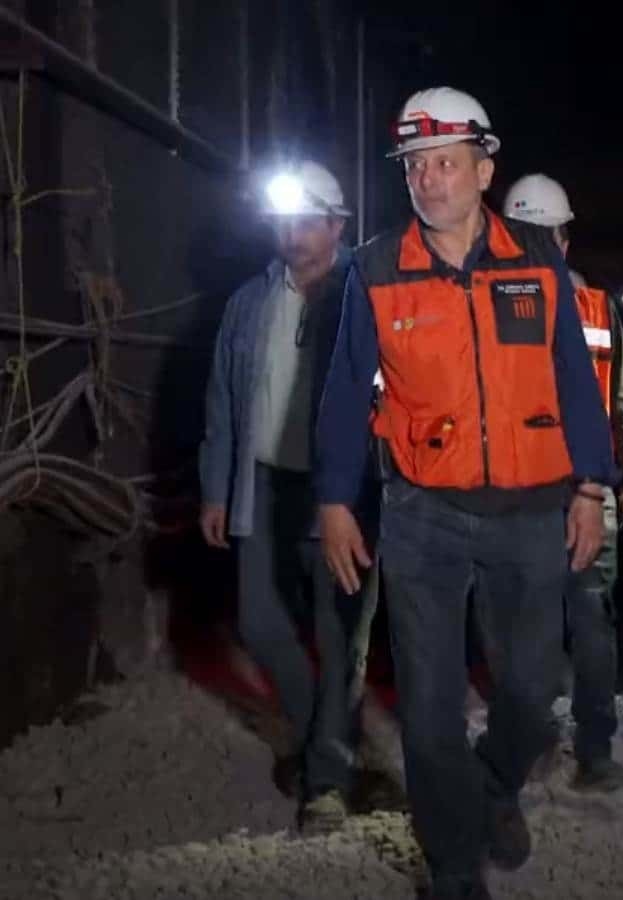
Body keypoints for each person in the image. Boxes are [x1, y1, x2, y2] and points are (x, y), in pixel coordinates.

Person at [314, 87, 615, 899]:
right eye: (416, 165)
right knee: (430, 703)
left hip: (531, 509)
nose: (431, 180)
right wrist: (336, 500)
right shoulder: (376, 269)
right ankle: (452, 866)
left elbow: (575, 381)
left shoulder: (539, 265)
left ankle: (492, 787)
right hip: (423, 514)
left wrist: (589, 486)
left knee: (530, 695)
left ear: (485, 170)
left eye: (447, 163)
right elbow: (346, 392)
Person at [198, 161, 380, 835]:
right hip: (265, 485)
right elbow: (222, 399)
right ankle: (320, 740)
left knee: (339, 641)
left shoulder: (370, 293)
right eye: (283, 219)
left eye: (307, 219)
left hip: (346, 492)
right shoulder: (249, 301)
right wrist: (217, 488)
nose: (292, 231)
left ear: (337, 225)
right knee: (261, 624)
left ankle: (327, 783)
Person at [503, 172, 623, 792]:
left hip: (587, 492)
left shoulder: (596, 312)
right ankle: (529, 739)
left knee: (591, 626)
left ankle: (594, 748)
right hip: (521, 496)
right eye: (526, 236)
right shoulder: (489, 303)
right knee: (525, 628)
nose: (539, 246)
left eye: (546, 236)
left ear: (564, 241)